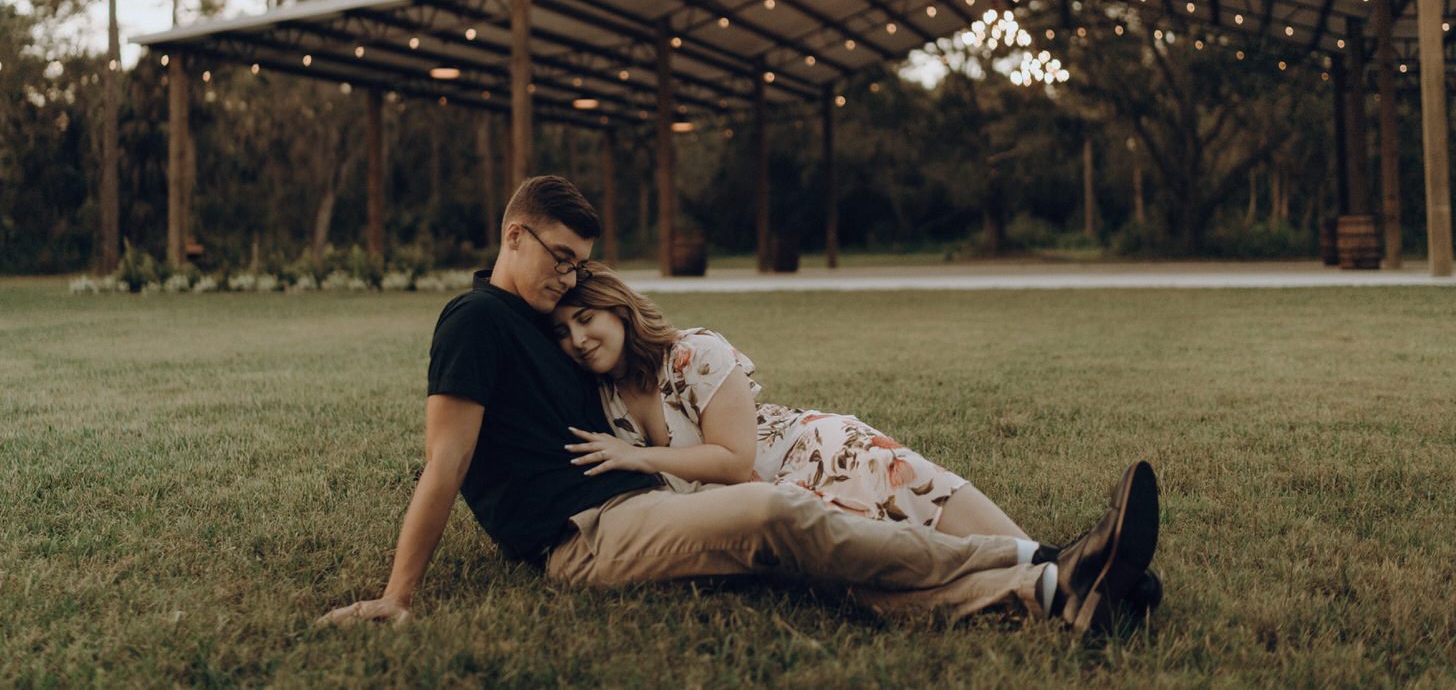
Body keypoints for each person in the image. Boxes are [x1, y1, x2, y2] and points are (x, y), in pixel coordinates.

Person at [317, 175, 1159, 635]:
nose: (566, 282)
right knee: (779, 513)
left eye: (579, 271)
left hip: (644, 502)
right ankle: (1050, 559)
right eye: (557, 259)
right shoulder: (475, 319)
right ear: (513, 237)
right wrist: (400, 594)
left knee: (809, 553)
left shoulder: (548, 325)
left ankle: (1050, 586)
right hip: (584, 536)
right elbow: (446, 461)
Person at [552, 263, 1030, 539]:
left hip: (808, 452)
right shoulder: (603, 398)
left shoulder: (691, 352)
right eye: (563, 332)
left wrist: (636, 458)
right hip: (763, 504)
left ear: (620, 308)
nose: (578, 339)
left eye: (587, 318)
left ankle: (1040, 556)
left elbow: (736, 461)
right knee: (886, 542)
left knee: (911, 488)